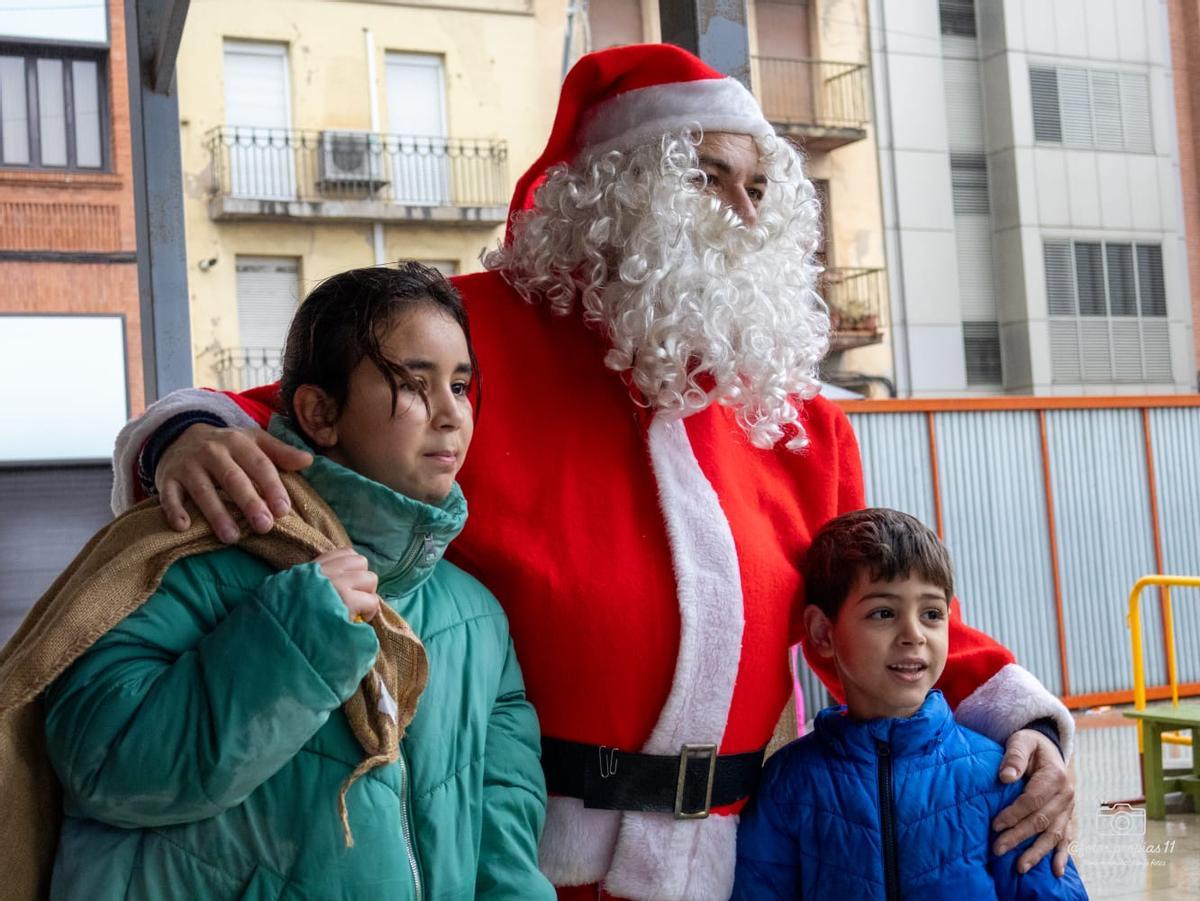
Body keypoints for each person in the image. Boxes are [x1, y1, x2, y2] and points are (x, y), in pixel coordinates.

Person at [109, 45, 1076, 899]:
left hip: (732, 865)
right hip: (512, 857)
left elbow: (880, 598)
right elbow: (275, 413)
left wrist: (1025, 722)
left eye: (758, 189)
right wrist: (185, 436)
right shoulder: (468, 338)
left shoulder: (796, 416)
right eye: (708, 178)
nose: (744, 214)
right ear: (618, 192)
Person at [42, 264, 554, 899]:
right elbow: (101, 767)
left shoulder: (477, 616)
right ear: (319, 412)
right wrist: (293, 637)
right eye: (413, 385)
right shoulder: (195, 557)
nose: (451, 415)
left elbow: (504, 833)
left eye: (459, 385)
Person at [733, 509, 1087, 899]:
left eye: (932, 614)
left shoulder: (999, 777)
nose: (913, 635)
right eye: (884, 613)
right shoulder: (788, 783)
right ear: (822, 633)